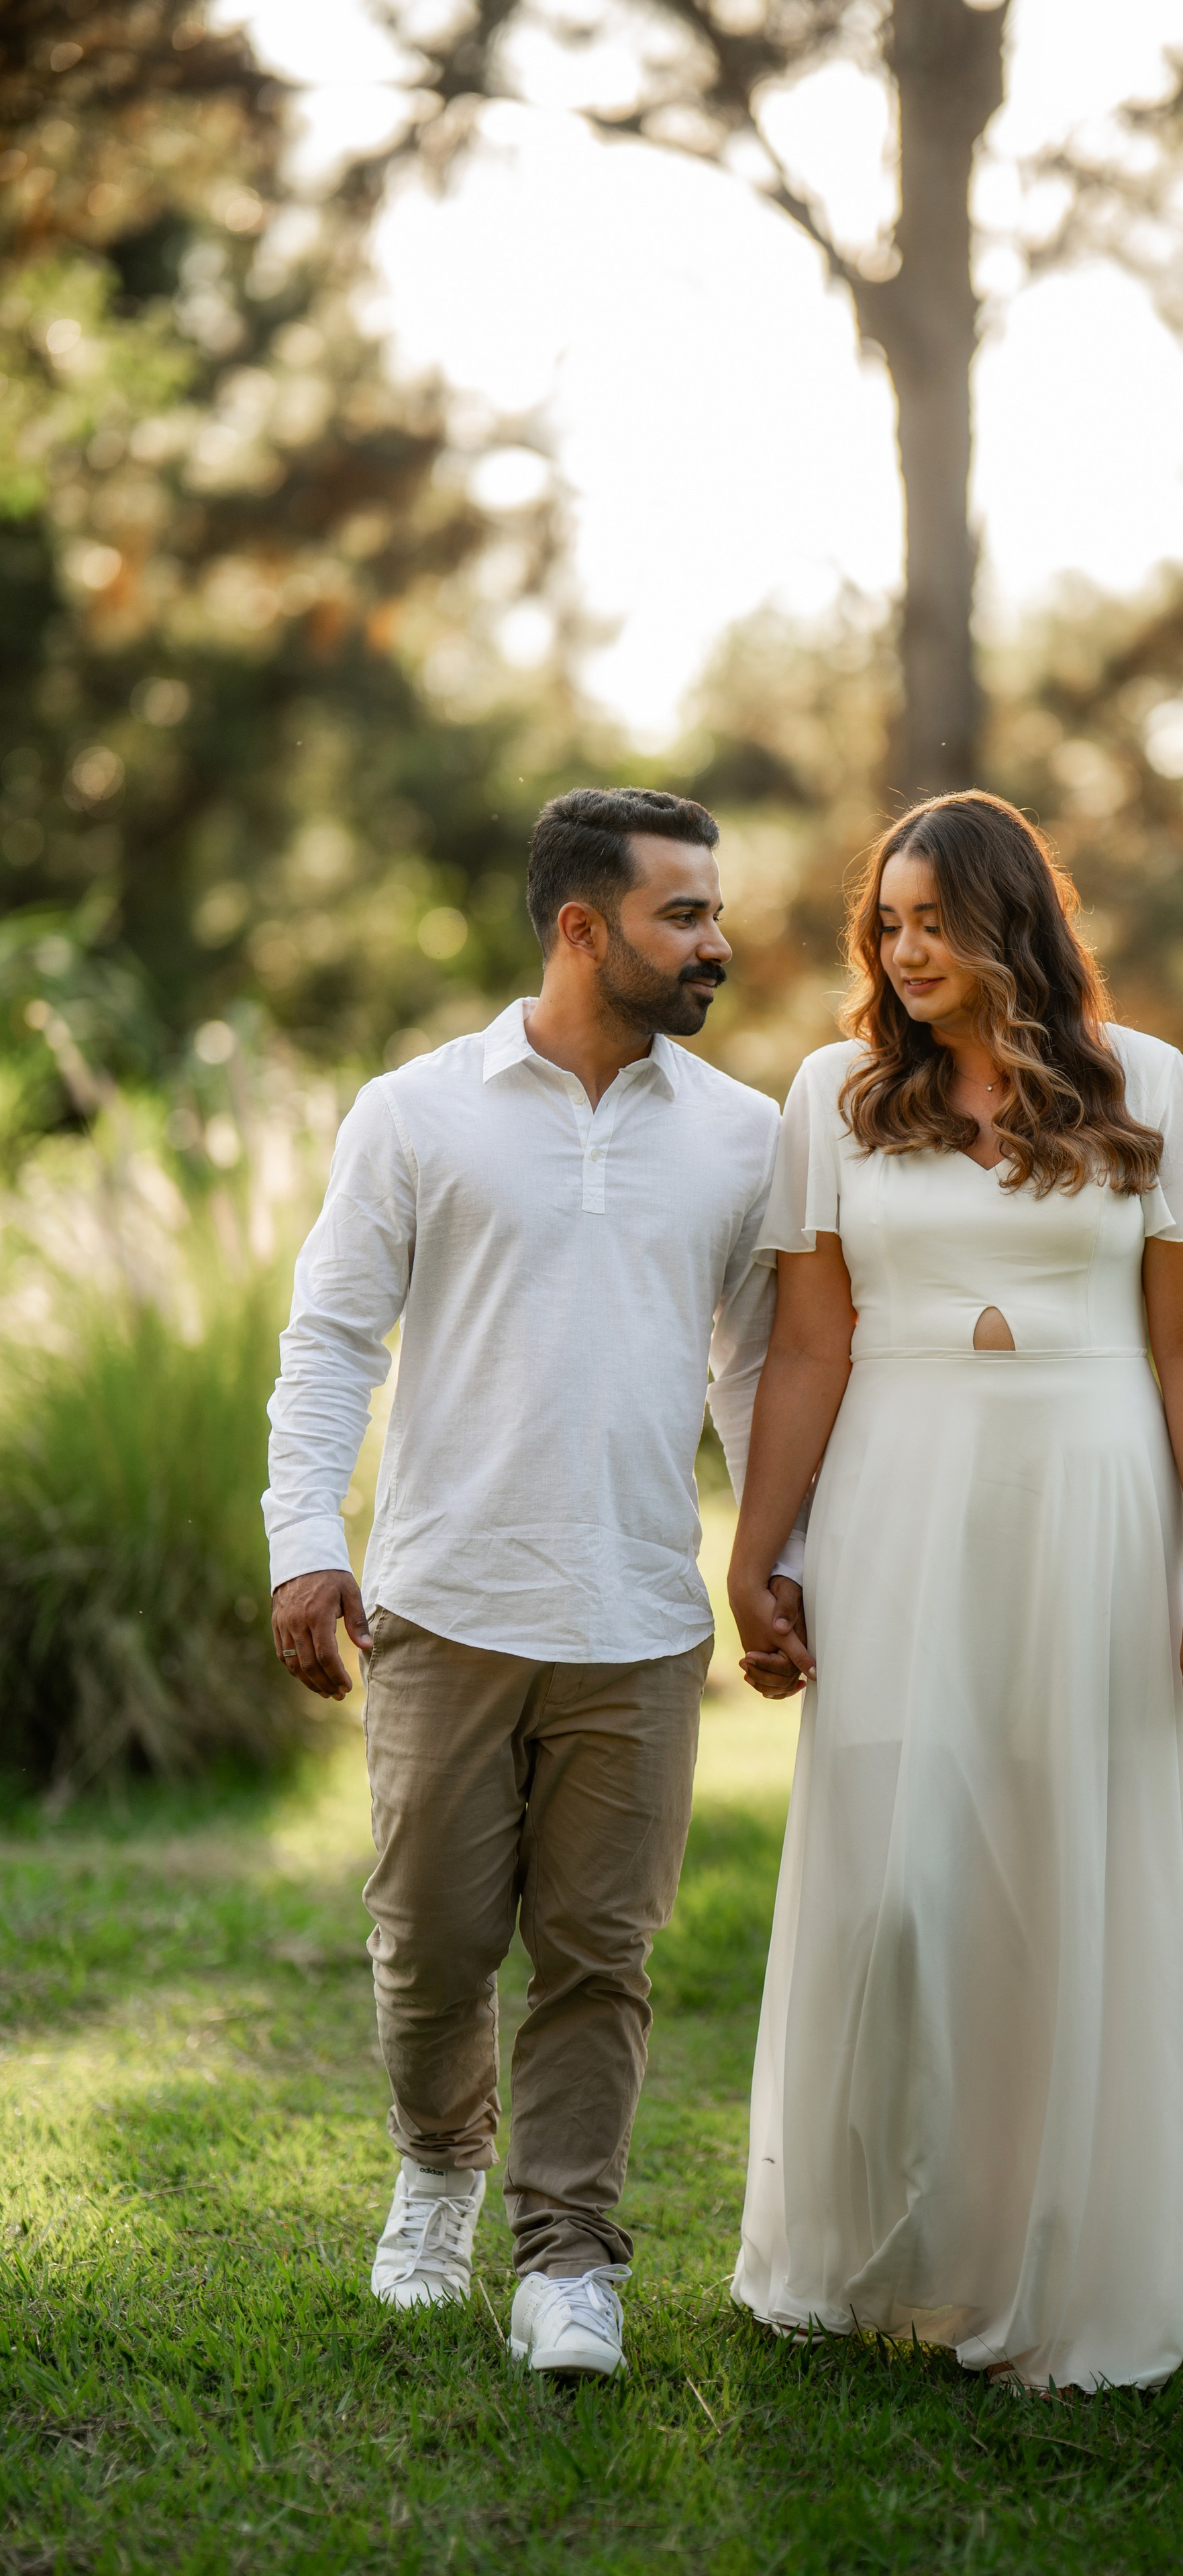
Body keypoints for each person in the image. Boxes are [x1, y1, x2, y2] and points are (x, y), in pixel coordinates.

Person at [264, 787, 804, 2381]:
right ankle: (438, 2167)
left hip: (637, 1622)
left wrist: (771, 1558)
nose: (715, 942)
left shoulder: (737, 1133)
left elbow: (755, 1373)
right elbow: (331, 1342)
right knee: (429, 1941)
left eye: (712, 910)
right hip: (441, 1602)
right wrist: (308, 1542)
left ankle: (570, 2262)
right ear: (582, 927)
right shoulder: (414, 1111)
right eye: (682, 914)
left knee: (597, 1955)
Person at [725, 791, 1183, 2394]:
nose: (905, 950)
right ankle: (877, 2250)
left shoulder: (1142, 1083)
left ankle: (1054, 2265)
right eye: (885, 924)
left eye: (933, 920)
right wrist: (758, 1550)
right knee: (895, 1883)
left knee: (1065, 1862)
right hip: (894, 1493)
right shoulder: (832, 1093)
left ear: (1010, 918)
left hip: (1092, 1501)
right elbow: (810, 1345)